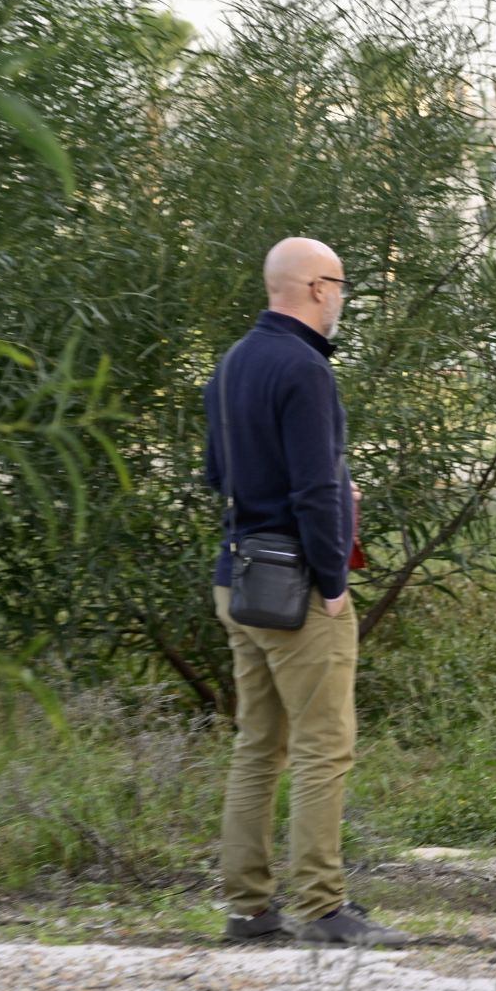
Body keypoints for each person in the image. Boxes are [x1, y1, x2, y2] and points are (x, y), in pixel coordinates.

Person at [204, 236, 409, 947]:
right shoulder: (306, 370)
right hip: (296, 590)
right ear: (317, 289)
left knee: (257, 747)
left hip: (237, 579)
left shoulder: (231, 365)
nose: (344, 299)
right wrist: (331, 584)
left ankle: (249, 910)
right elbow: (317, 491)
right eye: (342, 286)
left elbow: (215, 473)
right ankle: (323, 905)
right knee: (326, 746)